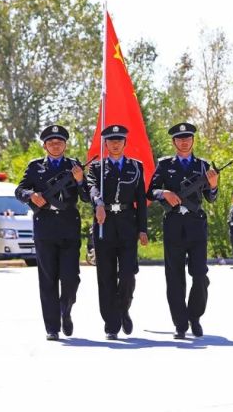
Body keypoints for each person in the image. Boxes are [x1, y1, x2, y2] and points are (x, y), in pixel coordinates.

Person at [146, 122, 218, 339]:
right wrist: (164, 193)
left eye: (187, 138)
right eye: (180, 139)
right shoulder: (165, 164)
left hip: (196, 225)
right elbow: (151, 192)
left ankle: (194, 316)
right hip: (174, 225)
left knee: (199, 275)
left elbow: (211, 198)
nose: (184, 142)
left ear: (193, 141)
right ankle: (180, 324)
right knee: (174, 276)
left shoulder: (203, 165)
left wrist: (213, 186)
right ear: (174, 142)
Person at [15, 124, 87, 341]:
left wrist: (80, 180)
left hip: (68, 227)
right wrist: (30, 196)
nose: (56, 146)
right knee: (47, 279)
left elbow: (85, 197)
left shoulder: (74, 165)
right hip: (45, 227)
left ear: (65, 145)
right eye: (51, 143)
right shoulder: (35, 166)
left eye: (60, 142)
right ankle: (52, 327)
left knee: (71, 278)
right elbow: (19, 189)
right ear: (45, 146)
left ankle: (66, 311)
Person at [86, 124, 148, 340]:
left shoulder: (136, 167)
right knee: (106, 276)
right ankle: (111, 323)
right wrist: (99, 203)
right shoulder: (96, 168)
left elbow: (141, 200)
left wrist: (143, 229)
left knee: (128, 274)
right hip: (104, 224)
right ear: (105, 144)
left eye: (119, 140)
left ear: (125, 143)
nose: (115, 144)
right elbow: (91, 187)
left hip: (127, 225)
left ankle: (123, 308)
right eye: (111, 141)